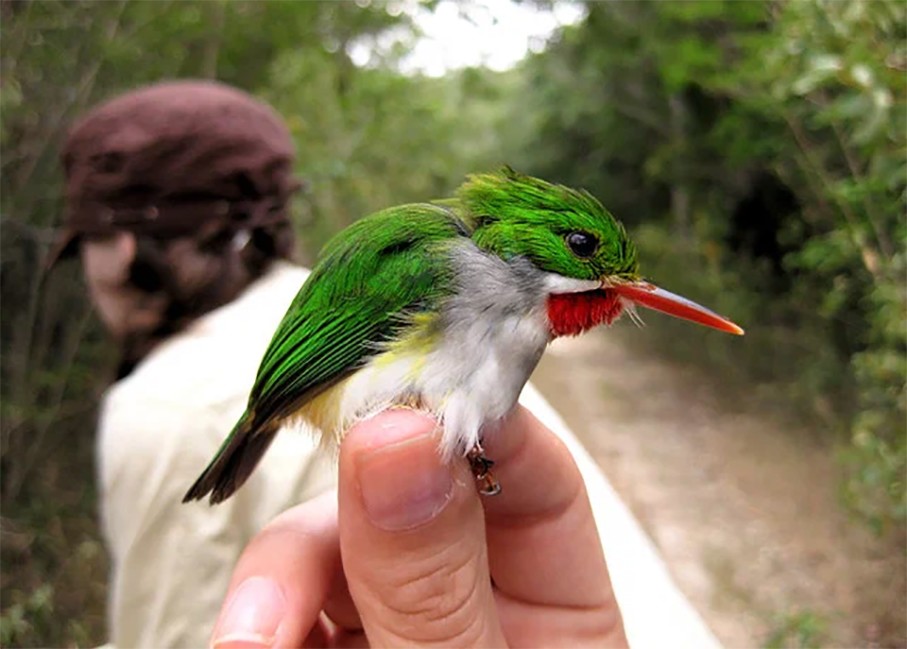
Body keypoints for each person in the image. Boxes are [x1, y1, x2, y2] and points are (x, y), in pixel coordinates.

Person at [48, 80, 334, 648]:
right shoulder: (335, 301)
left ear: (124, 248)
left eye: (86, 244)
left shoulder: (170, 401)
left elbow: (169, 636)